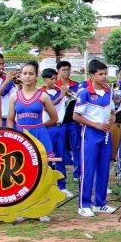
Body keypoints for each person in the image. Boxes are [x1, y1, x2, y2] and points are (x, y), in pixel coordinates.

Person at [6, 61, 59, 222]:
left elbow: (54, 118)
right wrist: (14, 136)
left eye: (31, 73)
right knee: (22, 173)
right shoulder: (15, 96)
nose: (27, 76)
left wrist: (39, 127)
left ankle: (41, 208)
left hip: (40, 137)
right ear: (20, 76)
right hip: (20, 138)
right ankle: (23, 208)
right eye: (24, 73)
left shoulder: (43, 96)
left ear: (37, 76)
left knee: (41, 172)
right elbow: (10, 120)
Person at [74, 60, 116, 217]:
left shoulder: (108, 92)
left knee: (104, 169)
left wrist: (112, 118)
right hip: (91, 134)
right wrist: (95, 125)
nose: (104, 77)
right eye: (100, 74)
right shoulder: (85, 92)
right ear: (91, 75)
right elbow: (76, 116)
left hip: (105, 134)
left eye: (105, 73)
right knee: (88, 169)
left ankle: (100, 203)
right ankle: (84, 204)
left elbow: (112, 111)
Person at [39, 67, 72, 197]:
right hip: (48, 128)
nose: (54, 81)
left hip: (61, 127)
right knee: (48, 156)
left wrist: (67, 96)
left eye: (55, 79)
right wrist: (62, 95)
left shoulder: (59, 91)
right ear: (44, 80)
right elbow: (48, 107)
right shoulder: (41, 92)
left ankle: (62, 185)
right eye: (51, 79)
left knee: (60, 156)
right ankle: (48, 184)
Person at [56, 60, 82, 182]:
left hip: (73, 120)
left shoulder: (76, 85)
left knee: (76, 146)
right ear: (58, 71)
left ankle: (77, 172)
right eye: (63, 70)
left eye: (68, 70)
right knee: (60, 147)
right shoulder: (55, 85)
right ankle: (61, 175)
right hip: (60, 121)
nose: (66, 72)